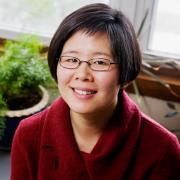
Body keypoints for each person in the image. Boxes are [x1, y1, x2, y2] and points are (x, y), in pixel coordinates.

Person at [11, 3, 180, 180]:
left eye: (100, 62)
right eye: (71, 59)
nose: (82, 74)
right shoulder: (29, 134)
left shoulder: (162, 148)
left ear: (125, 74)